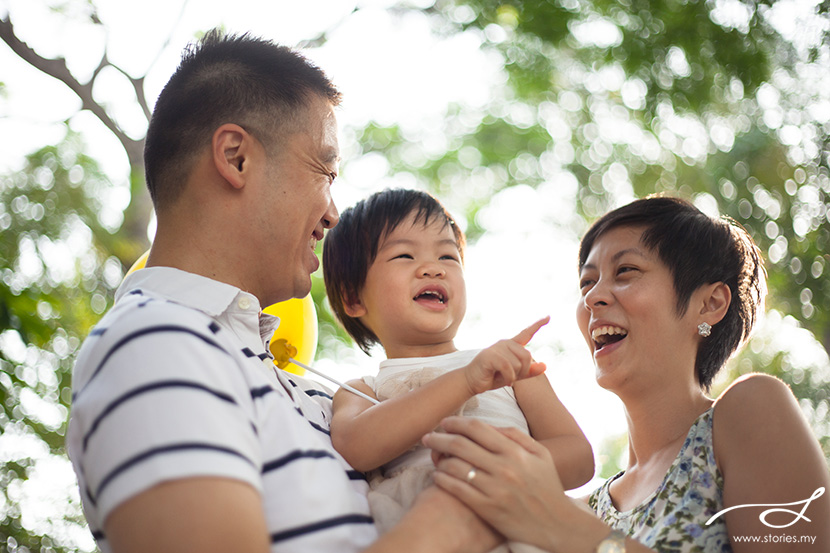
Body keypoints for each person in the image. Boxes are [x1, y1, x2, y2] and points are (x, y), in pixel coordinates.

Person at [66, 30, 504, 553]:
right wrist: (460, 518)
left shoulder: (311, 393)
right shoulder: (156, 341)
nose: (333, 214)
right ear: (236, 158)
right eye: (324, 169)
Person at [422, 196, 830, 552]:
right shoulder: (585, 509)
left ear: (710, 304)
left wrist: (570, 531)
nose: (593, 296)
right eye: (587, 281)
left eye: (626, 272)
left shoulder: (752, 411)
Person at [321, 188, 595, 551]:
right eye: (404, 254)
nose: (433, 267)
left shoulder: (509, 367)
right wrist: (465, 380)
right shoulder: (363, 390)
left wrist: (513, 468)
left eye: (448, 256)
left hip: (524, 526)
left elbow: (580, 456)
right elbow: (356, 446)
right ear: (354, 298)